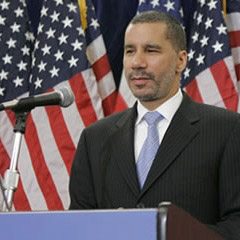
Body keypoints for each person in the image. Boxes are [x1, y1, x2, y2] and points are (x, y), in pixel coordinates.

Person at [69, 11, 240, 239]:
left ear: (181, 60)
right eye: (130, 51)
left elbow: (236, 223)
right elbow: (77, 226)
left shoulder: (227, 130)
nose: (137, 62)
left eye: (151, 50)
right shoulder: (94, 138)